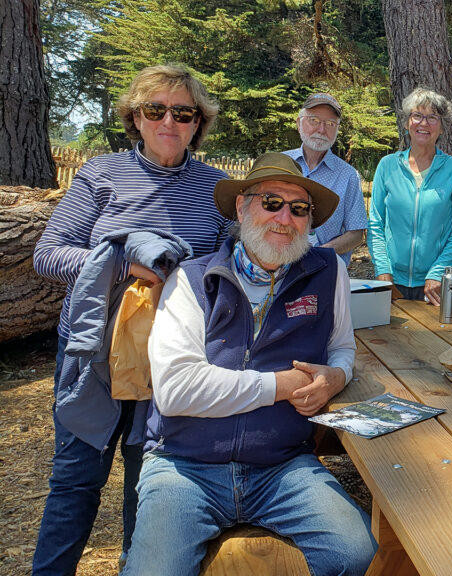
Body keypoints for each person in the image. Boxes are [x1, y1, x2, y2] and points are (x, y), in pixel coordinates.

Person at [121, 153, 375, 575]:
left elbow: (342, 348)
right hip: (185, 466)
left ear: (310, 221)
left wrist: (335, 376)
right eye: (271, 202)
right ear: (242, 207)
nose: (285, 218)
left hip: (282, 465)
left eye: (299, 209)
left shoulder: (329, 272)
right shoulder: (190, 278)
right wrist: (282, 385)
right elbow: (177, 390)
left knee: (358, 555)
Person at [31, 63, 230, 575]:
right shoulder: (100, 174)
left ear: (198, 123)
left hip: (171, 358)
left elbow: (233, 263)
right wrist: (122, 263)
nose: (170, 120)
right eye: (155, 109)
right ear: (135, 118)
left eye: (183, 112)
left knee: (151, 480)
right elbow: (48, 254)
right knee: (76, 478)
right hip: (94, 354)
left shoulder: (216, 189)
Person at [367, 87, 452, 304]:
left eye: (432, 117)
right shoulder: (387, 166)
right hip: (391, 280)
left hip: (435, 284)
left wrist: (438, 271)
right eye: (417, 115)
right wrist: (383, 268)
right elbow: (376, 224)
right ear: (407, 123)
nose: (424, 123)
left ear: (442, 127)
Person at [283, 92, 368, 265]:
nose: (321, 130)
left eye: (330, 124)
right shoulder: (279, 164)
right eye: (314, 120)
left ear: (337, 130)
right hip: (276, 268)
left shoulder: (348, 176)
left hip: (324, 271)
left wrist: (318, 255)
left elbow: (356, 233)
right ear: (299, 123)